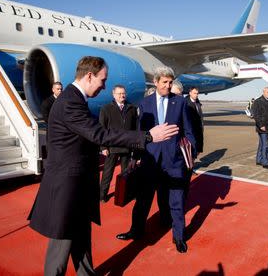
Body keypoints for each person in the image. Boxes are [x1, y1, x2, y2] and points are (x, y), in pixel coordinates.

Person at [28, 57, 179, 275]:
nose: (105, 86)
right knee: (59, 254)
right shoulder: (70, 101)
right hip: (67, 190)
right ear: (89, 75)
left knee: (81, 243)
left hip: (77, 188)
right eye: (103, 80)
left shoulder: (73, 99)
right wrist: (147, 136)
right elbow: (100, 134)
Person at [116, 66, 196, 254]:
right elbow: (140, 134)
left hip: (174, 162)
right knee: (143, 201)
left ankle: (179, 237)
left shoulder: (180, 102)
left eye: (170, 83)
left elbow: (189, 131)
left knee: (176, 202)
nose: (168, 86)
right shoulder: (144, 104)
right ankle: (136, 231)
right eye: (165, 82)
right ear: (156, 82)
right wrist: (135, 157)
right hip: (150, 161)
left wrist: (189, 154)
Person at [99, 85, 138, 203]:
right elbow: (102, 129)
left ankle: (124, 194)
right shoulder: (106, 109)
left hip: (127, 146)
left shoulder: (131, 108)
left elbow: (135, 128)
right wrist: (103, 147)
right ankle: (102, 195)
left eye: (123, 93)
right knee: (107, 173)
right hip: (112, 147)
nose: (122, 96)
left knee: (126, 173)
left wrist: (135, 145)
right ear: (114, 95)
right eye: (119, 94)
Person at [252, 87, 268, 169]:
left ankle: (259, 160)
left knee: (262, 144)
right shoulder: (258, 101)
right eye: (267, 92)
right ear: (263, 92)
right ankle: (265, 163)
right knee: (265, 145)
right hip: (262, 127)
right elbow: (256, 115)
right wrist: (261, 125)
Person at [185, 86, 204, 153]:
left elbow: (200, 116)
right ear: (190, 93)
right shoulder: (186, 103)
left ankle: (193, 161)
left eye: (197, 93)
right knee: (191, 150)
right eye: (194, 93)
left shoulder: (197, 103)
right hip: (190, 131)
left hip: (198, 130)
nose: (196, 95)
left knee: (198, 149)